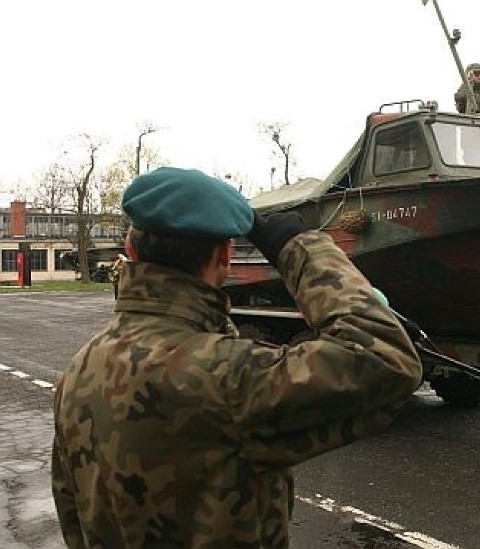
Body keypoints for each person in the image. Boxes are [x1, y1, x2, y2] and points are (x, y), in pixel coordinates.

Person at [51, 167, 423, 548]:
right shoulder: (228, 377)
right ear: (225, 255)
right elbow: (385, 357)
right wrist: (300, 249)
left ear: (130, 249)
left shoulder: (79, 369)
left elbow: (71, 510)